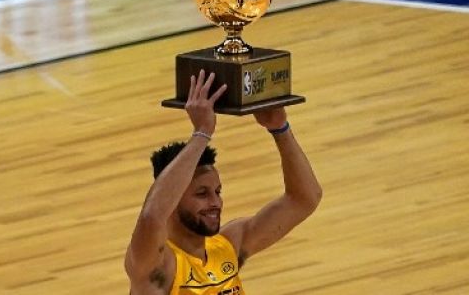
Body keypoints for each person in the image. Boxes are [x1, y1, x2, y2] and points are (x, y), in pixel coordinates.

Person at [125, 70, 322, 295]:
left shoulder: (229, 245)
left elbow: (305, 199)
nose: (215, 202)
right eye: (201, 193)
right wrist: (201, 133)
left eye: (217, 191)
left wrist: (279, 128)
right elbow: (152, 216)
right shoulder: (156, 265)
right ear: (173, 200)